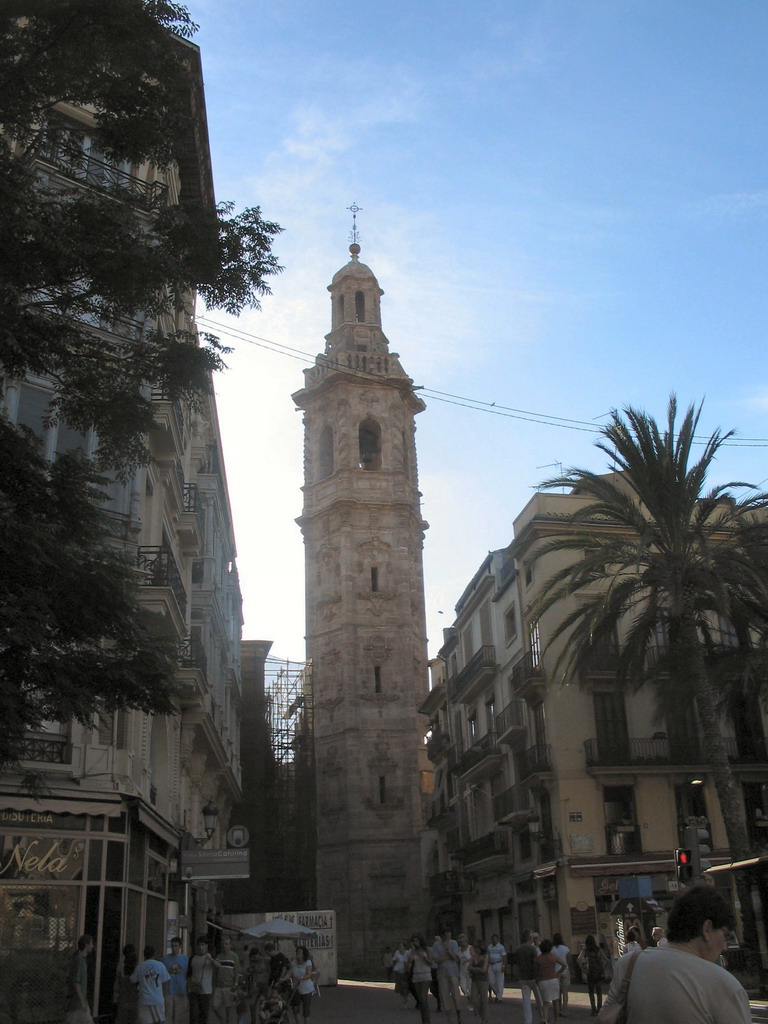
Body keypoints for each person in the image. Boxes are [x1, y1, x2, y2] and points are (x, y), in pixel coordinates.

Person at [601, 886, 750, 1023]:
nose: (724, 946)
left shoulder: (629, 965)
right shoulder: (723, 984)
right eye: (725, 935)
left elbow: (605, 1018)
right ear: (707, 929)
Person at [131, 945, 171, 1024]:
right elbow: (166, 983)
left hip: (144, 1000)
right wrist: (166, 998)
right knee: (160, 1021)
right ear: (154, 954)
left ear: (144, 954)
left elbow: (133, 980)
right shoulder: (160, 965)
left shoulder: (140, 967)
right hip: (158, 999)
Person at [431, 929, 463, 1024]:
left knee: (456, 995)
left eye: (449, 935)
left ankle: (459, 1017)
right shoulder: (436, 945)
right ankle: (449, 1019)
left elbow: (455, 958)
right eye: (446, 935)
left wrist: (448, 950)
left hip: (453, 972)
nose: (448, 937)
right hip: (442, 973)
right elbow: (436, 960)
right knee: (444, 996)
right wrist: (447, 957)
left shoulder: (453, 943)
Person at [577, 935, 610, 1016]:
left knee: (591, 992)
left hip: (590, 972)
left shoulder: (586, 950)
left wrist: (583, 969)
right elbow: (607, 960)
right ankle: (599, 1009)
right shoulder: (598, 949)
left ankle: (593, 1009)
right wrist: (603, 967)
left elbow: (578, 960)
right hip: (598, 972)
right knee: (599, 992)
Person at [65, 934, 94, 1024]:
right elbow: (76, 982)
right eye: (91, 944)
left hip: (78, 1003)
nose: (92, 946)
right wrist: (82, 1002)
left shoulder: (80, 959)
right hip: (77, 1004)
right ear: (86, 945)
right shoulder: (79, 960)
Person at [188, 937, 218, 1024]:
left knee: (204, 1015)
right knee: (193, 1015)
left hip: (206, 991)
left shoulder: (209, 957)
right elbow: (189, 973)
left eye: (203, 945)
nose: (201, 947)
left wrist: (211, 959)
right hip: (194, 991)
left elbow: (218, 966)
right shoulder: (193, 958)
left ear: (206, 946)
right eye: (199, 945)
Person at [212, 936, 241, 1024]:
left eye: (226, 944)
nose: (224, 945)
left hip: (229, 986)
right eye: (223, 944)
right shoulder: (219, 956)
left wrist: (235, 985)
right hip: (219, 987)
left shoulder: (234, 956)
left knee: (229, 1009)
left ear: (230, 945)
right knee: (214, 1006)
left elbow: (237, 973)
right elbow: (215, 970)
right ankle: (222, 1019)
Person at [515, 930, 541, 1024]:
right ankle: (542, 1016)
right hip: (532, 976)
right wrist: (537, 975)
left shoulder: (518, 949)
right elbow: (536, 963)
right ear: (529, 938)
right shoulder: (532, 949)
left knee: (526, 1000)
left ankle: (528, 1020)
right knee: (538, 999)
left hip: (523, 976)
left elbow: (517, 963)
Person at [285, 945, 314, 1024]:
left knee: (306, 1010)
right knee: (295, 1008)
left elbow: (309, 974)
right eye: (297, 952)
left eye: (300, 953)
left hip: (306, 989)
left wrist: (301, 978)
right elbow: (290, 972)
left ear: (304, 954)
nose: (298, 954)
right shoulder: (294, 962)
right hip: (296, 988)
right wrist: (284, 978)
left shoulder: (308, 962)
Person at [163, 938, 189, 1024]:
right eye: (172, 946)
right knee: (168, 1015)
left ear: (180, 946)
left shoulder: (185, 958)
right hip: (168, 990)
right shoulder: (165, 959)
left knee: (179, 1016)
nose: (174, 948)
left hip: (180, 990)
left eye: (176, 946)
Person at [535, 939, 561, 1024]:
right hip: (553, 979)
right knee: (555, 1001)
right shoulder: (553, 957)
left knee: (546, 1003)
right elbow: (564, 964)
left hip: (543, 981)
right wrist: (558, 973)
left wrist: (537, 979)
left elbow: (536, 971)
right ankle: (556, 1021)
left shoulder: (538, 959)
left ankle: (545, 1019)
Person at [409, 935, 434, 1024]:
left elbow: (431, 962)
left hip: (426, 976)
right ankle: (424, 1020)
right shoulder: (413, 951)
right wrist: (412, 951)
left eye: (417, 941)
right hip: (416, 976)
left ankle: (427, 1021)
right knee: (420, 999)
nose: (415, 943)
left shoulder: (427, 949)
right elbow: (409, 963)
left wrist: (424, 957)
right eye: (414, 941)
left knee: (423, 998)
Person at [114, 944, 139, 1024]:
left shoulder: (121, 972)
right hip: (134, 1001)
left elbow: (117, 986)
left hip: (122, 1000)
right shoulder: (136, 977)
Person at [467, 940, 489, 1024]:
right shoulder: (473, 956)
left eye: (477, 947)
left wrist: (473, 969)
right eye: (474, 947)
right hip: (474, 980)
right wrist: (475, 969)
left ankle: (485, 1019)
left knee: (484, 1000)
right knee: (474, 1000)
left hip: (483, 980)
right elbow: (469, 967)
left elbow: (484, 969)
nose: (475, 949)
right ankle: (481, 1015)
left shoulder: (485, 956)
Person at [247, 947, 270, 1021]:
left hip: (264, 985)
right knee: (252, 1004)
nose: (254, 958)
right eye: (253, 957)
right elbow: (249, 971)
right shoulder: (253, 962)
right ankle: (253, 1021)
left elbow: (269, 972)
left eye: (255, 956)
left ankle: (262, 1021)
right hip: (256, 985)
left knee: (262, 1006)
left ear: (258, 954)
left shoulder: (266, 961)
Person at [552, 932, 570, 1017]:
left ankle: (558, 1009)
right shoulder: (566, 949)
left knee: (557, 993)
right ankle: (565, 1010)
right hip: (565, 971)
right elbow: (568, 960)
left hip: (556, 972)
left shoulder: (552, 949)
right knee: (565, 992)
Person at [486, 933, 506, 1002]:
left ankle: (499, 997)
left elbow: (504, 956)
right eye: (493, 939)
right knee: (491, 981)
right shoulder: (489, 947)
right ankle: (497, 993)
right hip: (491, 965)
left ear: (498, 940)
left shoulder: (501, 947)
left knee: (500, 981)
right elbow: (487, 956)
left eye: (496, 939)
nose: (494, 941)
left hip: (498, 964)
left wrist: (503, 966)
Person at [390, 940, 411, 1006]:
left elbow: (410, 961)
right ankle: (404, 997)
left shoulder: (407, 953)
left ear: (404, 947)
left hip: (405, 972)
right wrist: (395, 962)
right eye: (399, 946)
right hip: (398, 971)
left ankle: (406, 1000)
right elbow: (393, 960)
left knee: (405, 986)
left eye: (401, 946)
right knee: (400, 987)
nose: (400, 948)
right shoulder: (397, 952)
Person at [457, 933, 473, 1000]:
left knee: (469, 987)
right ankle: (468, 996)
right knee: (462, 986)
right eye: (461, 940)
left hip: (469, 970)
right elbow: (457, 960)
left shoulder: (470, 947)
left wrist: (467, 960)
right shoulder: (458, 949)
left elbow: (473, 957)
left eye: (464, 940)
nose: (463, 942)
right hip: (461, 970)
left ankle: (471, 1000)